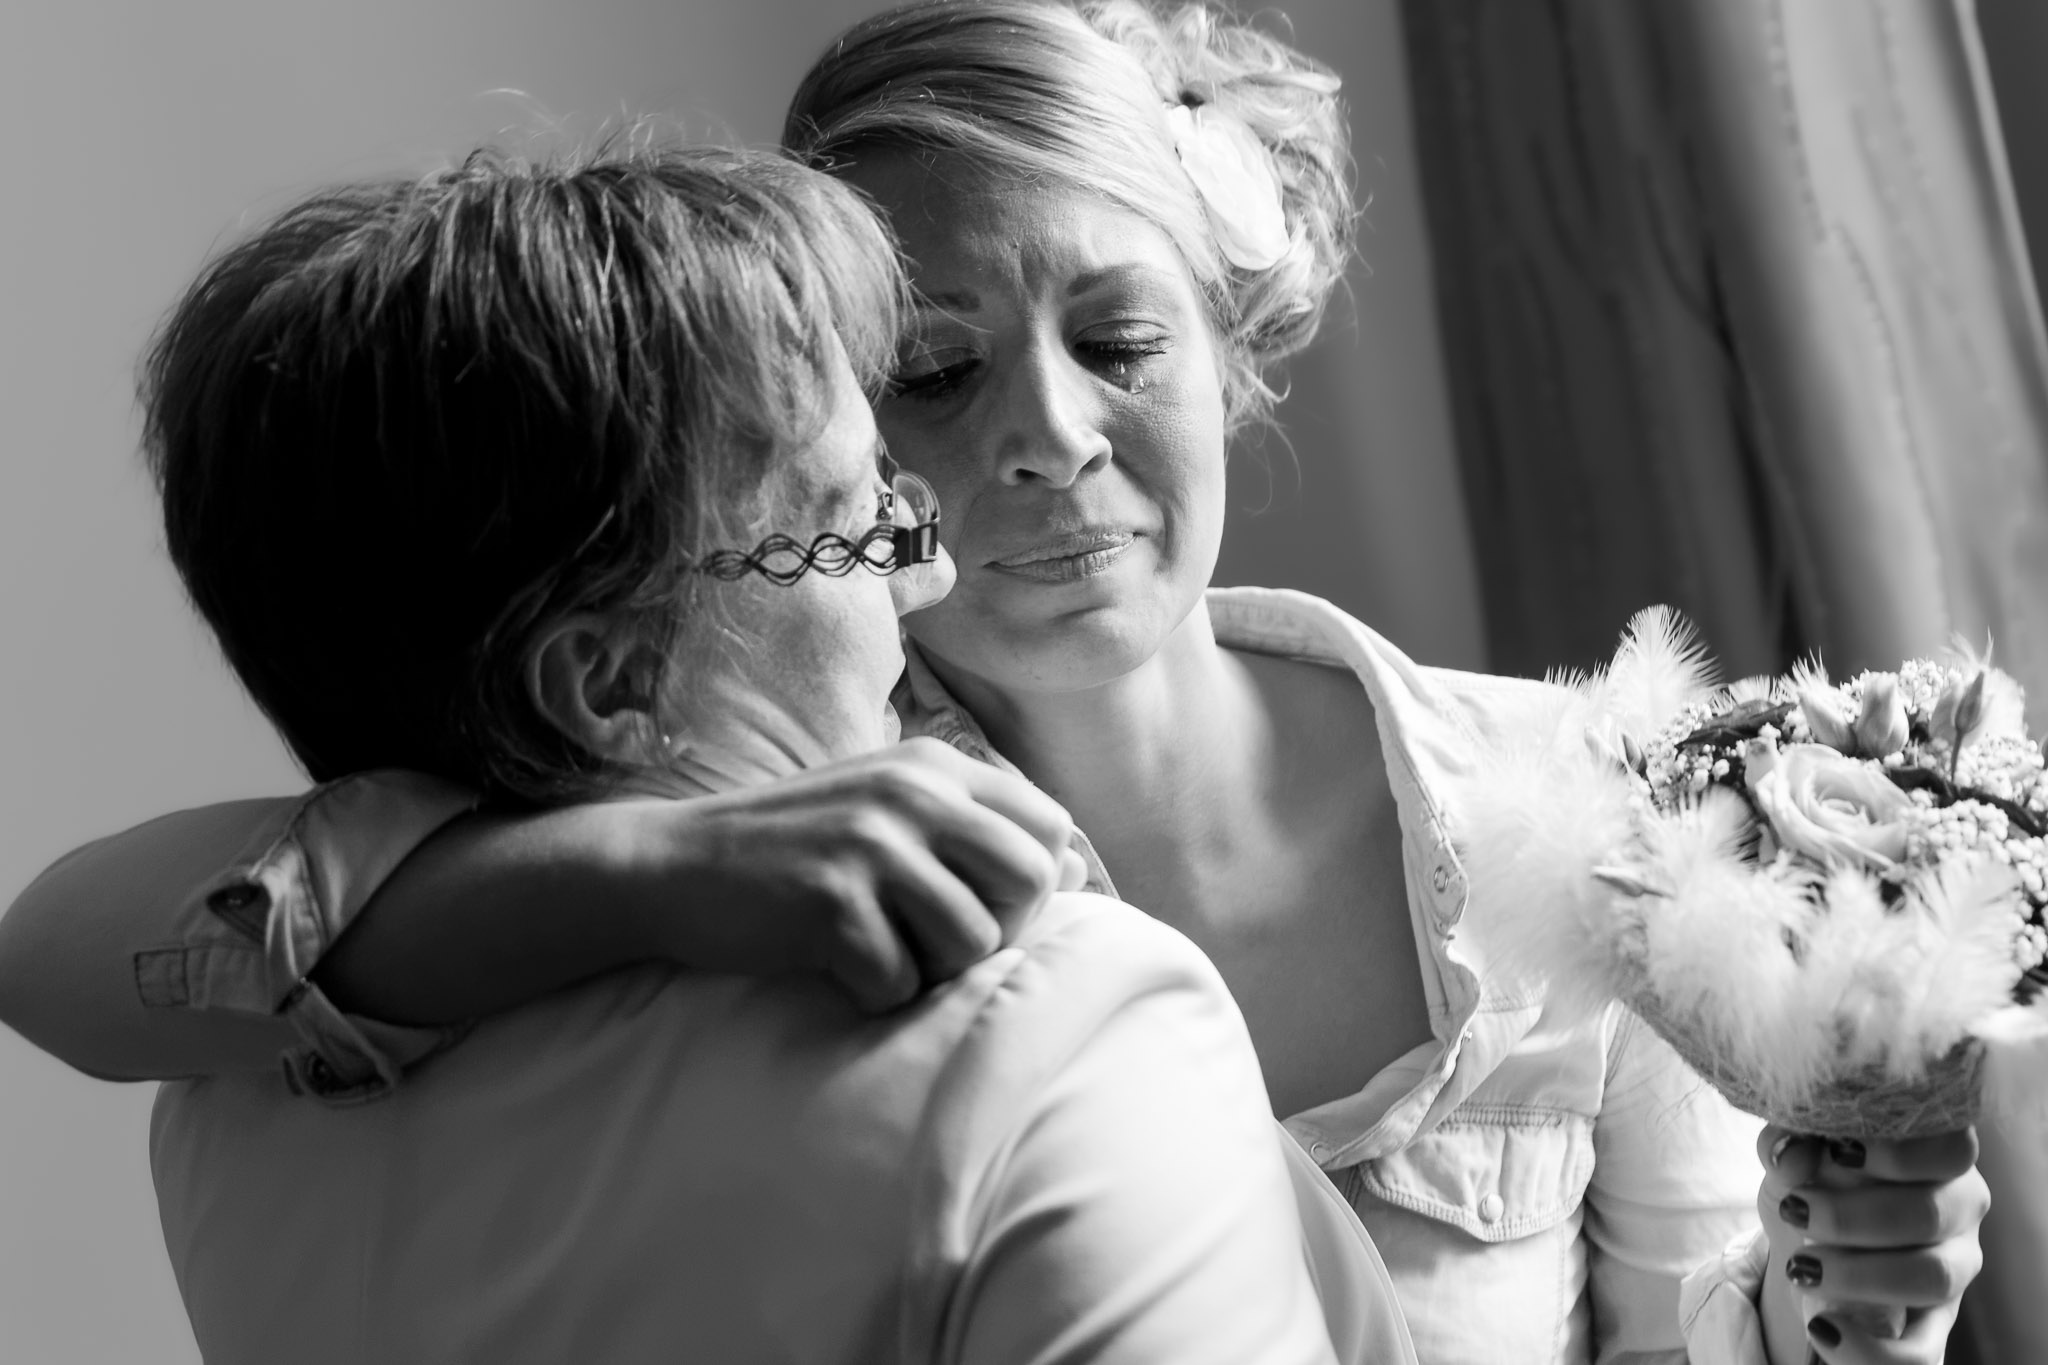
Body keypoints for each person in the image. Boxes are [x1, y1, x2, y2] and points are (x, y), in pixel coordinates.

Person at [0, 3, 1989, 1363]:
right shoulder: (755, 849)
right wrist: (631, 877)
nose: (1041, 438)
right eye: (932, 375)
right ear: (822, 441)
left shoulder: (1577, 797)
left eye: (1117, 336)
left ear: (1228, 351)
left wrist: (1847, 1312)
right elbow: (86, 940)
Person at [92, 138, 1415, 1365]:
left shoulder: (227, 1108)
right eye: (853, 524)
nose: (921, 570)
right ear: (608, 683)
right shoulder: (1054, 1021)